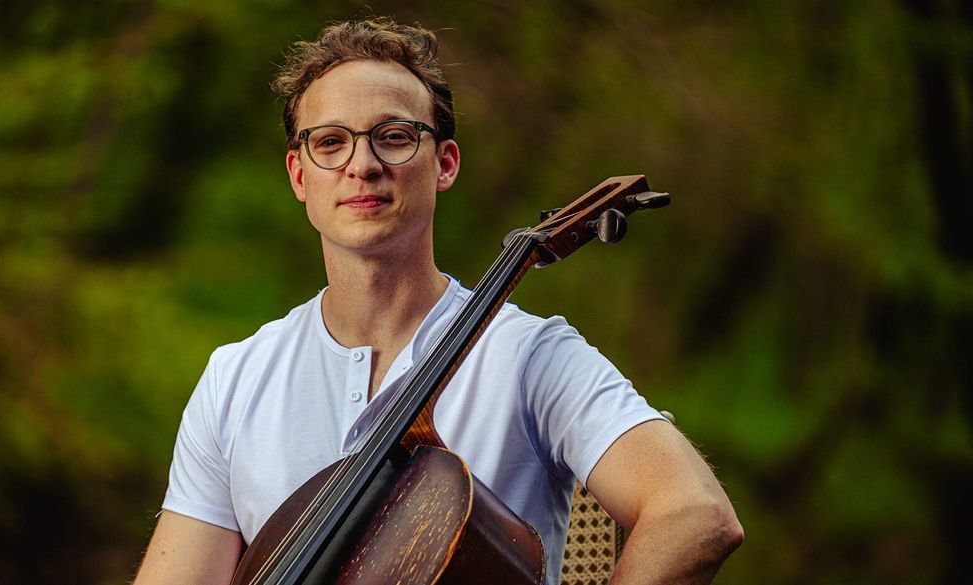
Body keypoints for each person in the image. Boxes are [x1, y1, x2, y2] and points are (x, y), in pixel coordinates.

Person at [134, 17, 742, 585]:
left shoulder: (529, 355)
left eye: (394, 138)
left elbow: (695, 514)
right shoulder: (235, 378)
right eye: (330, 143)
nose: (363, 165)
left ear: (443, 163)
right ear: (299, 174)